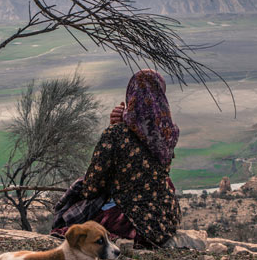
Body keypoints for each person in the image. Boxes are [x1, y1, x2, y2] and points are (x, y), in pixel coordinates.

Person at [51, 69, 181, 247]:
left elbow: (92, 186)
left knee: (74, 217)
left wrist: (118, 126)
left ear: (132, 96)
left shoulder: (117, 134)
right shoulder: (168, 133)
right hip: (164, 220)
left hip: (133, 224)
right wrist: (126, 121)